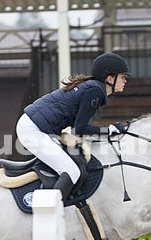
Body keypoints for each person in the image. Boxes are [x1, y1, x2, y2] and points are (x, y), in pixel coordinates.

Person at [17, 53, 130, 200]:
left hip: (36, 127)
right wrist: (109, 130)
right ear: (110, 79)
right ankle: (48, 211)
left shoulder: (93, 88)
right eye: (122, 77)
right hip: (33, 130)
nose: (125, 81)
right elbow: (79, 130)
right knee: (71, 171)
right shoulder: (95, 91)